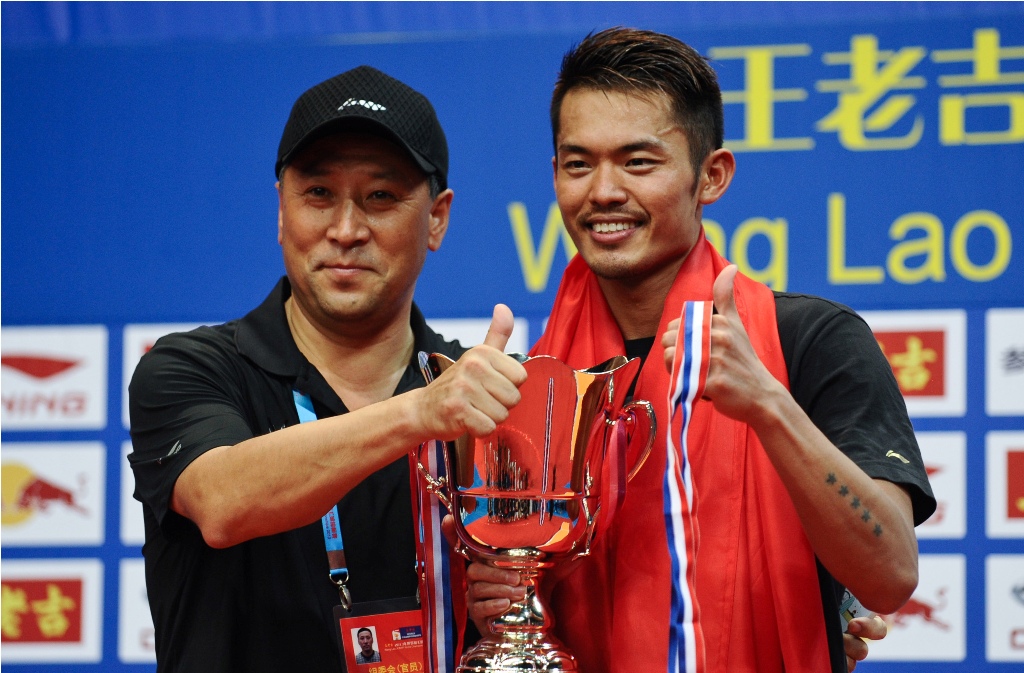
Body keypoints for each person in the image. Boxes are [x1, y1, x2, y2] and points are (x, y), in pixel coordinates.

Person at [465, 28, 935, 673]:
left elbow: (889, 575)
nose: (602, 191)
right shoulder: (533, 384)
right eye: (578, 164)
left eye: (638, 161)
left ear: (711, 176)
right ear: (555, 175)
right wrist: (494, 600)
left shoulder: (811, 341)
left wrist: (770, 405)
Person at [128, 65, 525, 673]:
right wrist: (420, 412)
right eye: (319, 194)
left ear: (437, 218)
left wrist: (517, 601)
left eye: (381, 197)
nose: (346, 230)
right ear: (282, 210)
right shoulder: (191, 368)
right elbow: (223, 501)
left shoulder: (489, 398)